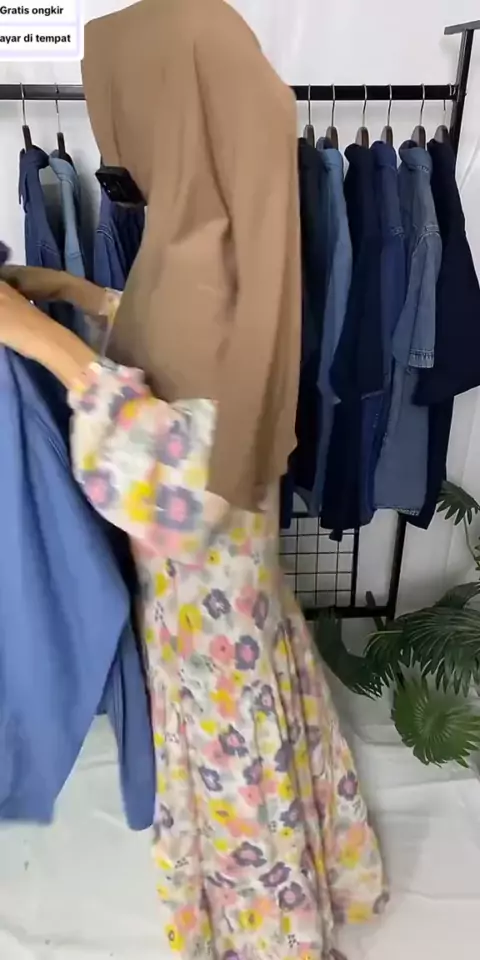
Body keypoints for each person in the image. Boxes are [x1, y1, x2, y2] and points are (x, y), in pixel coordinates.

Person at [0, 1, 387, 956]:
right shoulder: (216, 232)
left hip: (204, 573)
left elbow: (172, 494)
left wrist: (52, 347)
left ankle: (274, 936)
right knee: (259, 694)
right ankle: (326, 875)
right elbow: (183, 317)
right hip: (229, 561)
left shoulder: (203, 261)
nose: (118, 141)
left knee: (231, 735)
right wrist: (82, 294)